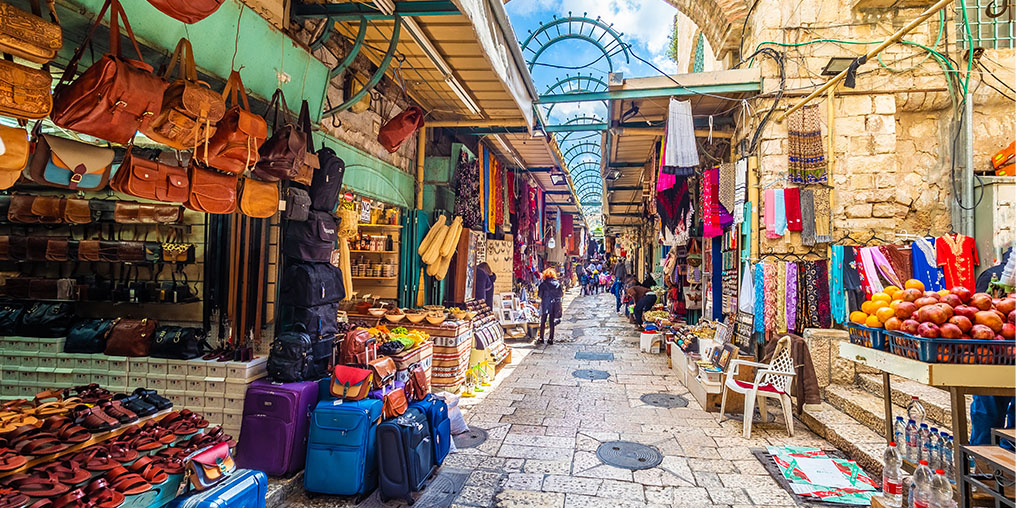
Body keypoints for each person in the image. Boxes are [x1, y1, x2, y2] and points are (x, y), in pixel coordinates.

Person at [537, 268, 563, 345]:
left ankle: (541, 338)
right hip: (554, 304)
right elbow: (561, 294)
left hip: (545, 304)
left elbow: (539, 295)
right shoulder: (558, 284)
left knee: (543, 321)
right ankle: (550, 338)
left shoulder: (543, 284)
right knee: (551, 322)